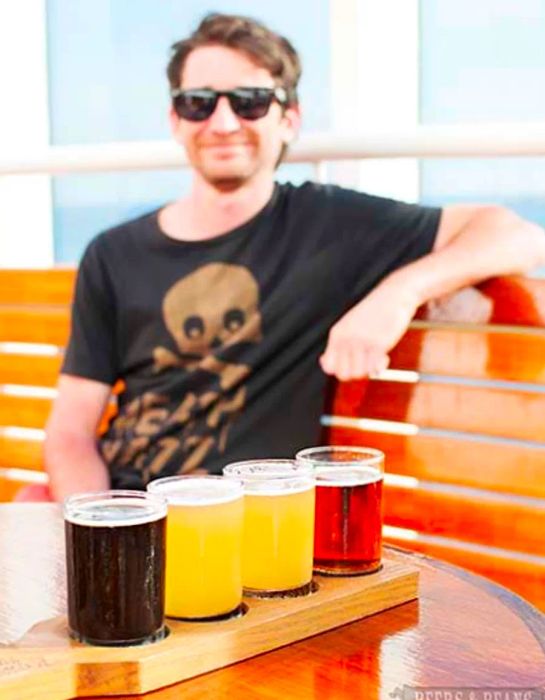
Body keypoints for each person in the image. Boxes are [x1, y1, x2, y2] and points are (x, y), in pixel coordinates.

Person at [38, 12, 545, 502]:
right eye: (198, 102)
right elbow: (70, 433)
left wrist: (398, 292)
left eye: (250, 101)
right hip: (128, 511)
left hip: (239, 526)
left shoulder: (329, 227)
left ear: (289, 119)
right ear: (176, 119)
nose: (223, 121)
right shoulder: (113, 252)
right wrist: (101, 523)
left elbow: (518, 234)